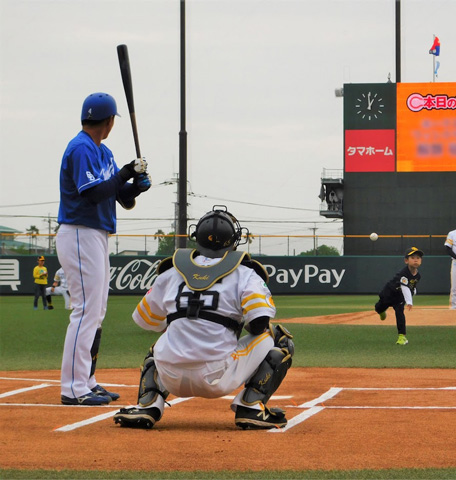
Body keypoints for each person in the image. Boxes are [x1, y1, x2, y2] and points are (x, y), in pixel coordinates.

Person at [114, 206, 294, 430]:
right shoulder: (246, 273)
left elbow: (146, 321)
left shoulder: (171, 272)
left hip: (170, 376)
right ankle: (251, 406)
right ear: (233, 240)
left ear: (196, 237)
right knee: (280, 339)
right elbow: (258, 324)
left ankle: (147, 404)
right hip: (218, 377)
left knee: (158, 346)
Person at [56, 92, 151, 406]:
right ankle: (73, 388)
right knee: (86, 310)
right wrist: (126, 172)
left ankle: (87, 380)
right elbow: (94, 193)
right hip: (79, 231)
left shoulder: (103, 150)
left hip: (95, 233)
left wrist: (135, 186)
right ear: (109, 121)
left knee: (96, 312)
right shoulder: (81, 148)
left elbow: (120, 197)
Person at [374, 246, 423, 346]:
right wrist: (409, 301)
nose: (416, 260)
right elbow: (405, 287)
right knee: (378, 307)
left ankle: (402, 337)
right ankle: (381, 311)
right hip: (389, 293)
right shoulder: (403, 273)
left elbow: (411, 287)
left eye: (418, 258)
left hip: (399, 297)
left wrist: (413, 292)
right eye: (412, 257)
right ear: (406, 261)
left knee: (399, 312)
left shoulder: (418, 276)